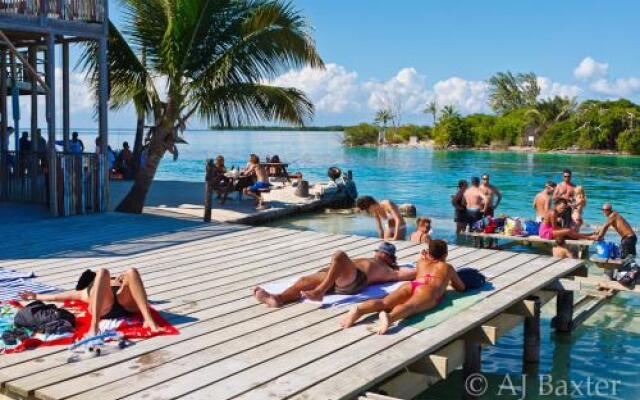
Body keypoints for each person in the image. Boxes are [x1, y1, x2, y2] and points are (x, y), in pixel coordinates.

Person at [339, 240, 465, 334]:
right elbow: (460, 287)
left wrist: (424, 257)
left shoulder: (421, 262)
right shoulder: (447, 267)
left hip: (412, 284)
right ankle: (390, 317)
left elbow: (425, 263)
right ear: (445, 254)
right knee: (410, 306)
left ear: (428, 253)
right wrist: (447, 282)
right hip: (428, 289)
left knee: (384, 301)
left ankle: (359, 309)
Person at [253, 242, 415, 307]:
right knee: (303, 280)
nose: (379, 254)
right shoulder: (372, 259)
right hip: (336, 275)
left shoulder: (389, 271)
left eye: (382, 253)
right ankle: (278, 299)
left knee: (338, 255)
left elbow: (410, 273)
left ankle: (319, 292)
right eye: (378, 251)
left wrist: (427, 261)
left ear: (388, 257)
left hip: (355, 279)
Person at [19, 268, 161, 337]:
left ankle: (149, 321)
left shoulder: (114, 280)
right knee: (103, 271)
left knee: (131, 271)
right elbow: (57, 297)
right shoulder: (84, 291)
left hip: (125, 304)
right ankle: (94, 325)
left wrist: (124, 282)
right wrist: (36, 296)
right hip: (105, 309)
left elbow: (139, 291)